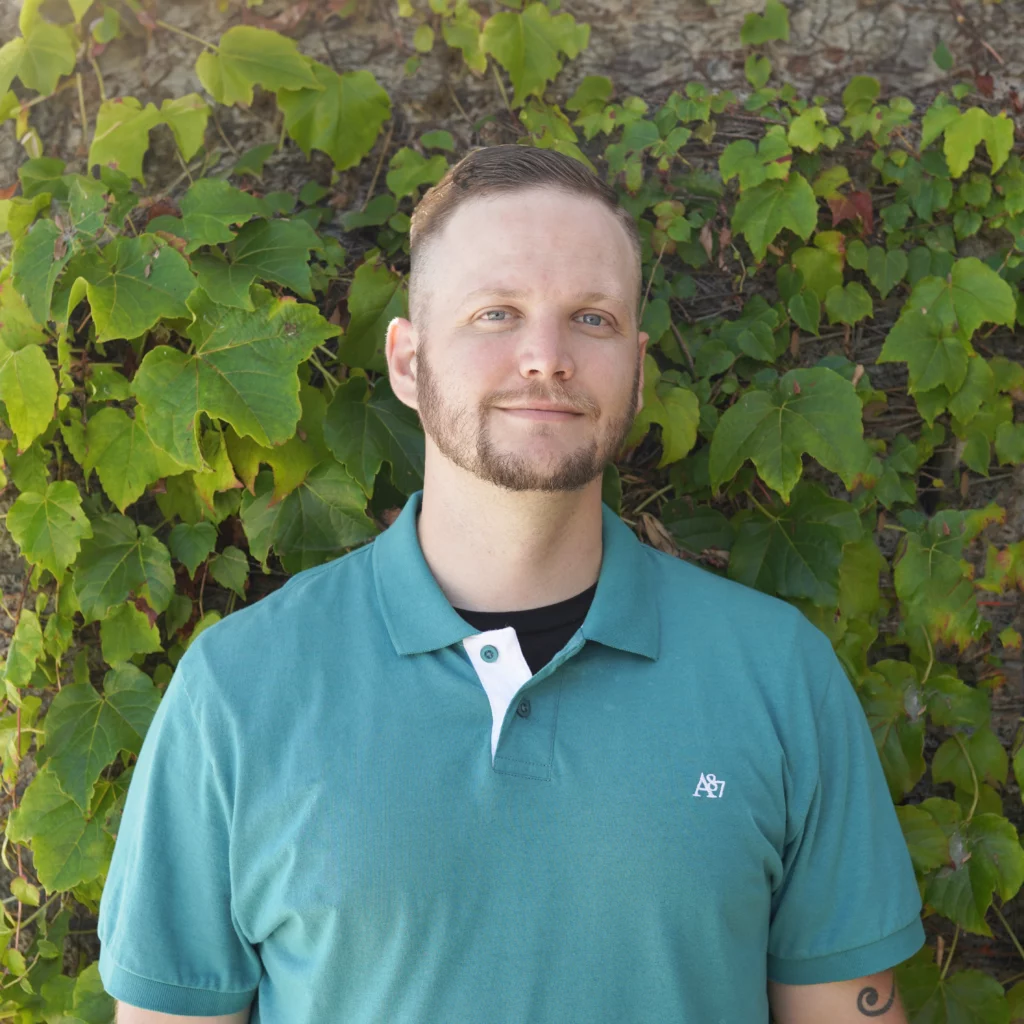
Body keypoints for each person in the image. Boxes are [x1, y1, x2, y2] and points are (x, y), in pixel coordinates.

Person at [98, 144, 925, 1023]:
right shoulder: (240, 689)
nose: (546, 357)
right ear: (407, 362)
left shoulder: (778, 676)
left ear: (637, 368)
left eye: (592, 319)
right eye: (496, 313)